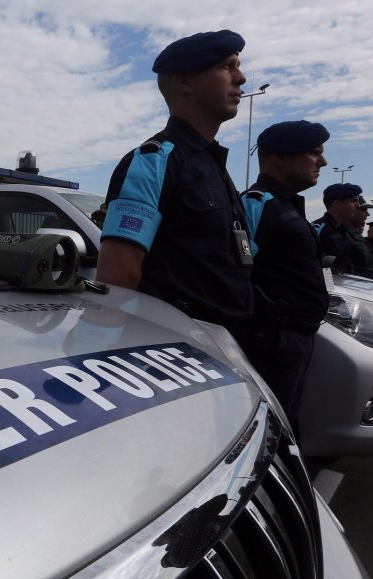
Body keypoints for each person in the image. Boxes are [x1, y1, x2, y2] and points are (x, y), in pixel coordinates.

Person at [97, 30, 253, 346]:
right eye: (227, 67)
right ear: (185, 82)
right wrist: (98, 351)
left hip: (228, 347)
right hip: (181, 352)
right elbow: (117, 276)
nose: (241, 78)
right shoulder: (155, 161)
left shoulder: (212, 164)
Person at [240, 120, 331, 423]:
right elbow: (234, 273)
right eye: (314, 152)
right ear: (279, 157)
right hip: (272, 342)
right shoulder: (258, 203)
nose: (323, 161)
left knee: (285, 424)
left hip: (295, 340)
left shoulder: (286, 206)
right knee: (267, 426)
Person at [313, 184, 373, 278]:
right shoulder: (319, 229)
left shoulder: (344, 230)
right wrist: (329, 285)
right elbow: (320, 267)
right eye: (353, 201)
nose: (358, 205)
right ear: (336, 203)